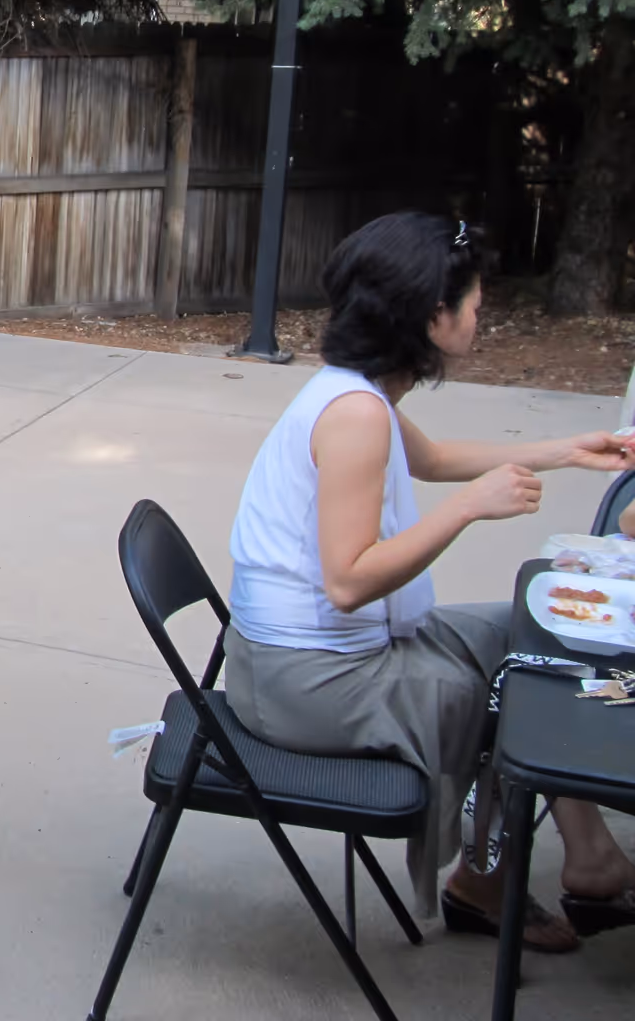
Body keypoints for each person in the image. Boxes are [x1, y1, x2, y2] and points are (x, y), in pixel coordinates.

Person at [224, 212, 635, 953]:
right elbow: (348, 583)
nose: (482, 313)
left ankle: (580, 857)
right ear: (431, 316)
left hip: (320, 655)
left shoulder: (362, 389)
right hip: (303, 682)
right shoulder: (354, 414)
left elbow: (435, 457)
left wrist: (569, 451)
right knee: (500, 694)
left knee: (530, 636)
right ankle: (492, 877)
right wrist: (471, 511)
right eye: (473, 302)